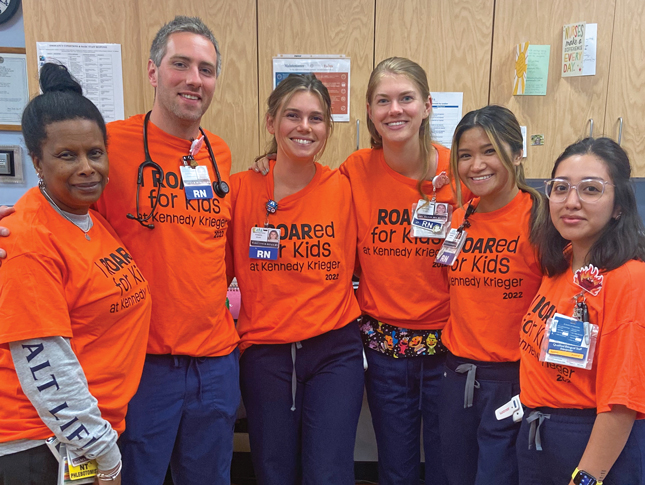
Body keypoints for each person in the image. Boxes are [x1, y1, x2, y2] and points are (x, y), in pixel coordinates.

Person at [0, 64, 151, 484]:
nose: (87, 167)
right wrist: (104, 453)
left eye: (95, 153)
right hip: (41, 447)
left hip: (80, 435)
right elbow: (46, 367)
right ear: (38, 162)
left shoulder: (87, 218)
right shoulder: (27, 235)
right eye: (67, 155)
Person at [227, 73, 364, 485]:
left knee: (329, 472)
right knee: (274, 470)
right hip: (266, 354)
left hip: (334, 349)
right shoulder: (238, 190)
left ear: (327, 129)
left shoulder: (345, 187)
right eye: (293, 115)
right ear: (271, 123)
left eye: (316, 118)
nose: (305, 127)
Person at [338, 57, 468, 485]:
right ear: (371, 114)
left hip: (449, 349)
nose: (395, 109)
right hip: (384, 349)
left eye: (406, 98)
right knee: (396, 466)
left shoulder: (461, 173)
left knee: (449, 465)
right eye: (383, 101)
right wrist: (270, 162)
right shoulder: (355, 170)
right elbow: (304, 188)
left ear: (427, 105)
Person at [517, 137, 645, 485]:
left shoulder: (628, 278)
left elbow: (622, 402)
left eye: (591, 189)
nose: (571, 202)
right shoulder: (561, 262)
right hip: (539, 434)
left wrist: (586, 477)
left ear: (618, 205)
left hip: (590, 441)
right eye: (561, 188)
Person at [438, 105, 545, 484]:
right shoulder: (459, 219)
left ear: (517, 155)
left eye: (489, 151)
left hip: (512, 380)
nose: (476, 165)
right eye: (465, 155)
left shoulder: (541, 220)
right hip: (456, 374)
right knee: (455, 475)